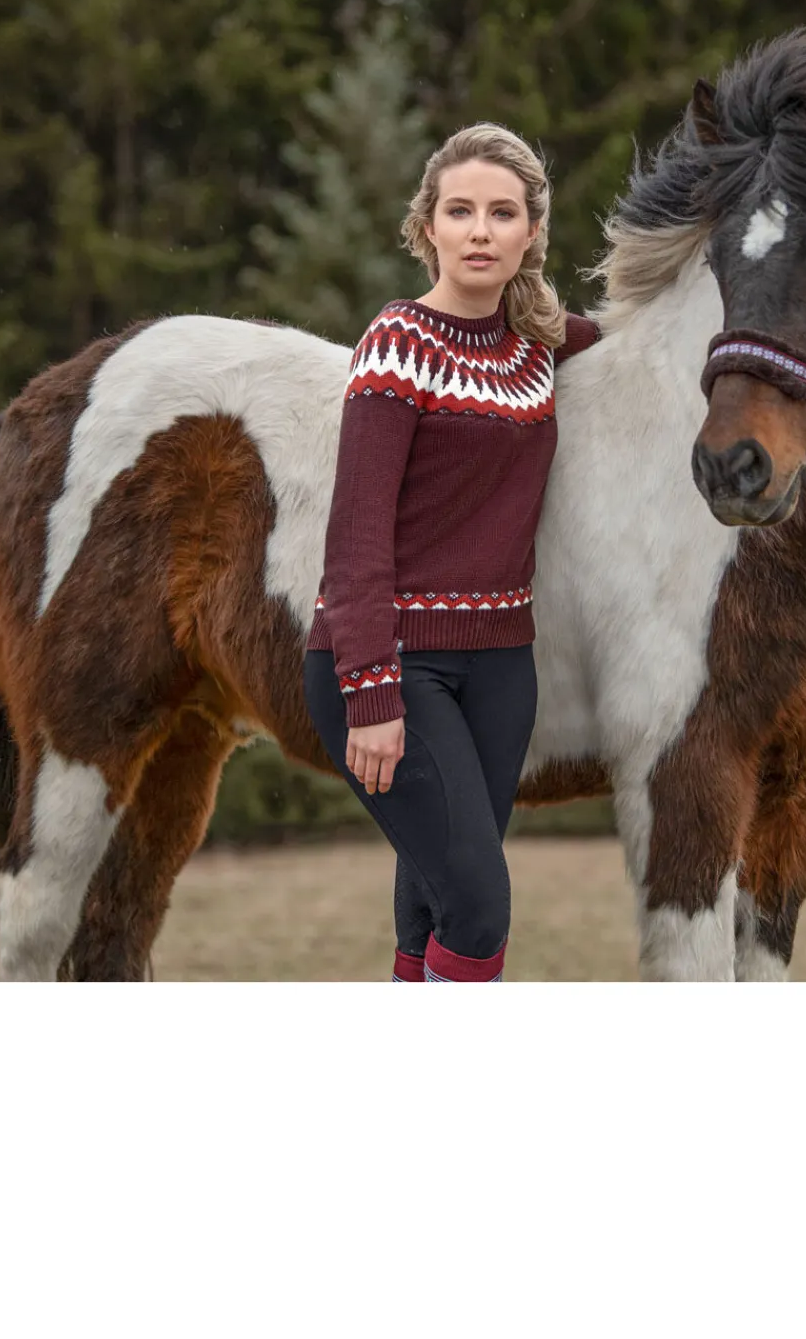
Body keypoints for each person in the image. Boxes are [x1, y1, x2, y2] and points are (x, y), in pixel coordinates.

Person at [301, 123, 601, 982]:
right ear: (426, 224)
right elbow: (356, 533)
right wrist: (371, 692)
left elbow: (636, 343)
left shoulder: (538, 346)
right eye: (460, 210)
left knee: (435, 901)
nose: (480, 231)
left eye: (503, 213)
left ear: (531, 233)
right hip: (393, 665)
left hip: (503, 670)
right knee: (478, 905)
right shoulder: (399, 343)